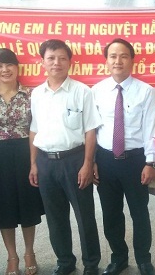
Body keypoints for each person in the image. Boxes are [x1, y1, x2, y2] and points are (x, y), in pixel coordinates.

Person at [28, 39, 101, 275]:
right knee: (55, 218)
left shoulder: (82, 91)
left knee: (84, 217)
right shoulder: (37, 94)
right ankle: (65, 262)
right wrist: (33, 164)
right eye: (51, 58)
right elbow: (34, 130)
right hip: (45, 163)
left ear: (70, 62)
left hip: (75, 161)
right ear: (42, 62)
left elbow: (91, 130)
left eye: (61, 58)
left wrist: (88, 164)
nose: (56, 63)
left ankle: (91, 264)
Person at [92, 38, 155, 275]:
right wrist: (91, 162)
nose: (117, 61)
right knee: (110, 213)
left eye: (123, 56)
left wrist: (150, 162)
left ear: (132, 60)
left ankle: (143, 259)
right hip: (105, 160)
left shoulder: (146, 91)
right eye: (112, 56)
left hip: (135, 160)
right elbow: (92, 130)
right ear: (106, 60)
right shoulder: (96, 91)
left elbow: (151, 129)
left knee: (139, 212)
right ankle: (118, 257)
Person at [0, 48, 44, 275]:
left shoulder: (32, 95)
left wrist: (36, 161)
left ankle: (29, 253)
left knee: (27, 205)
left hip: (26, 153)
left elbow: (38, 129)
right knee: (4, 207)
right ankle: (12, 256)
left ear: (17, 67)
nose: (4, 70)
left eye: (9, 65)